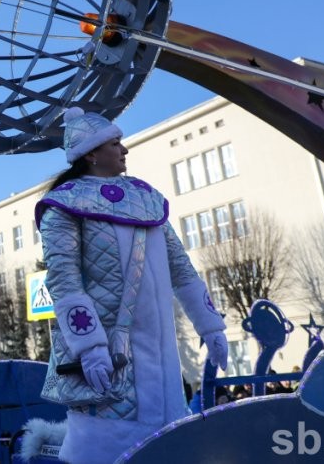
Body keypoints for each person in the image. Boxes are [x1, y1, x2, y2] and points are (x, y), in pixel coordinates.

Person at [37, 107, 228, 464]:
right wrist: (90, 346)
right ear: (91, 153)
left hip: (163, 363)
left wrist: (211, 325)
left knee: (167, 447)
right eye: (115, 143)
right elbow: (64, 281)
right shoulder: (61, 206)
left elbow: (182, 270)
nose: (124, 150)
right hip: (109, 358)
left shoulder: (147, 199)